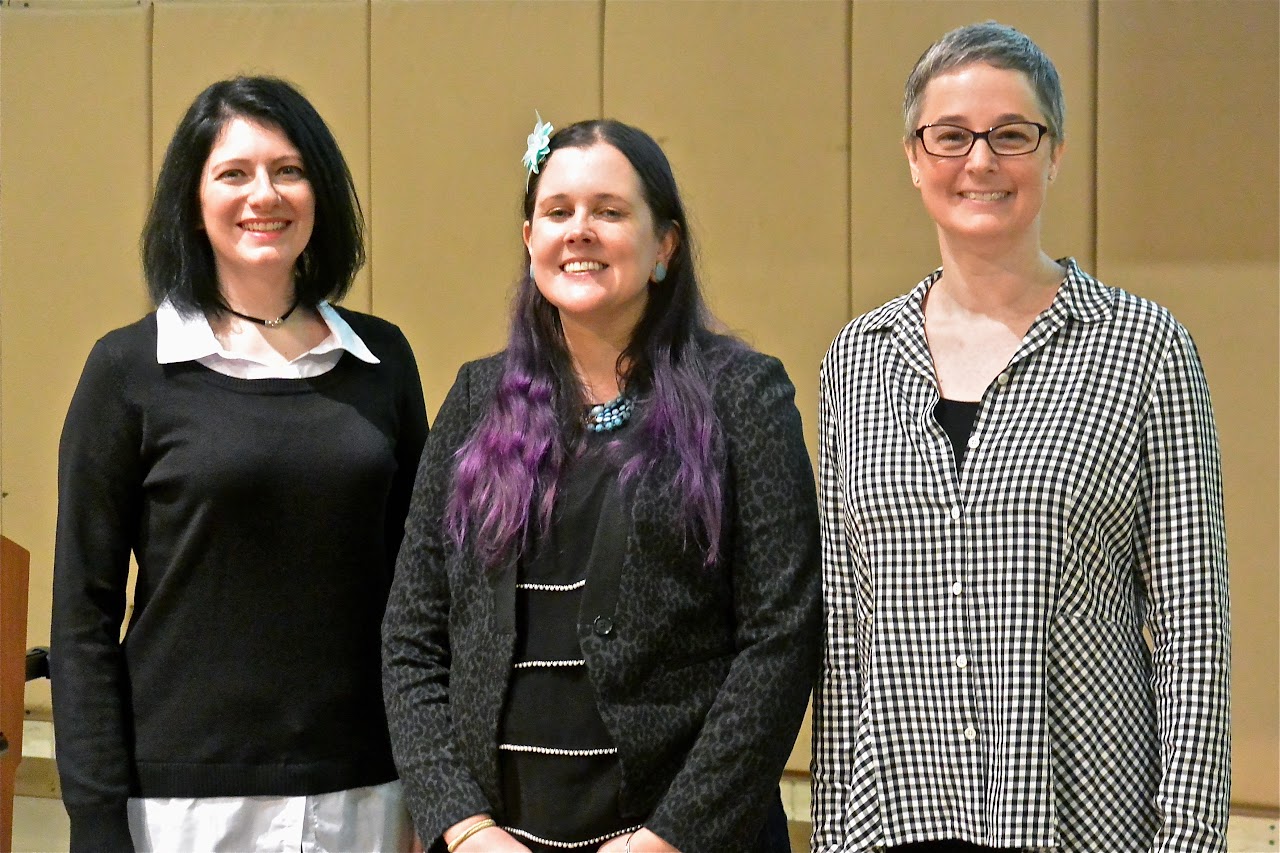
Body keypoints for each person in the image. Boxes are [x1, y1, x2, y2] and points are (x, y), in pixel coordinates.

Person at [812, 21, 1230, 853]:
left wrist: (1186, 836)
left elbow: (1193, 629)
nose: (980, 161)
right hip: (896, 818)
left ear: (1054, 152)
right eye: (951, 136)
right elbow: (843, 633)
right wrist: (836, 828)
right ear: (912, 156)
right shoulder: (855, 361)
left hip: (1084, 820)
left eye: (1011, 135)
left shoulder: (1142, 347)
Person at [382, 116, 821, 853]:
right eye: (558, 212)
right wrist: (462, 825)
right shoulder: (474, 399)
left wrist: (669, 838)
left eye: (609, 212)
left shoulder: (743, 394)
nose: (578, 230)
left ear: (664, 247)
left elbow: (781, 635)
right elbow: (411, 637)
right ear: (530, 240)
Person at [51, 76, 428, 853]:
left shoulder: (381, 359)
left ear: (319, 192)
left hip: (366, 787)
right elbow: (82, 615)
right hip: (181, 804)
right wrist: (93, 814)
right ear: (191, 200)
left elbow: (420, 593)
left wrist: (436, 781)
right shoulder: (129, 369)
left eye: (289, 170)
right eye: (234, 173)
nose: (266, 194)